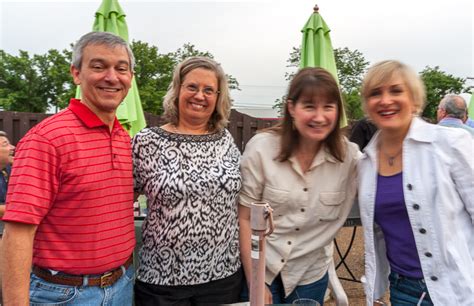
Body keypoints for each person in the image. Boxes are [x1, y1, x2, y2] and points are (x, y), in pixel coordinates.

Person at [1, 32, 136, 305]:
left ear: (130, 78)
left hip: (122, 285)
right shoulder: (47, 140)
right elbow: (17, 232)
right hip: (63, 294)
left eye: (121, 68)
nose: (112, 77)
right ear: (76, 73)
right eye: (98, 67)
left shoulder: (123, 138)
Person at [239, 67, 360, 305]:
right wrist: (256, 281)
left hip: (311, 276)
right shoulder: (261, 149)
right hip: (262, 269)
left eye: (328, 106)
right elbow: (244, 219)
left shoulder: (351, 159)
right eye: (309, 106)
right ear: (291, 108)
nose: (319, 116)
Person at [358, 60, 473, 306]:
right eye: (375, 93)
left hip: (458, 288)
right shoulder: (366, 163)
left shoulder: (450, 144)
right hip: (402, 290)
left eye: (396, 91)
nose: (385, 100)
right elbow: (377, 234)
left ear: (414, 98)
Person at [132, 56, 242, 305]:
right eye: (192, 87)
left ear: (217, 98)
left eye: (208, 90)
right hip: (162, 281)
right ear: (177, 90)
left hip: (222, 277)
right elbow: (121, 201)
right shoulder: (147, 141)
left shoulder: (225, 140)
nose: (200, 96)